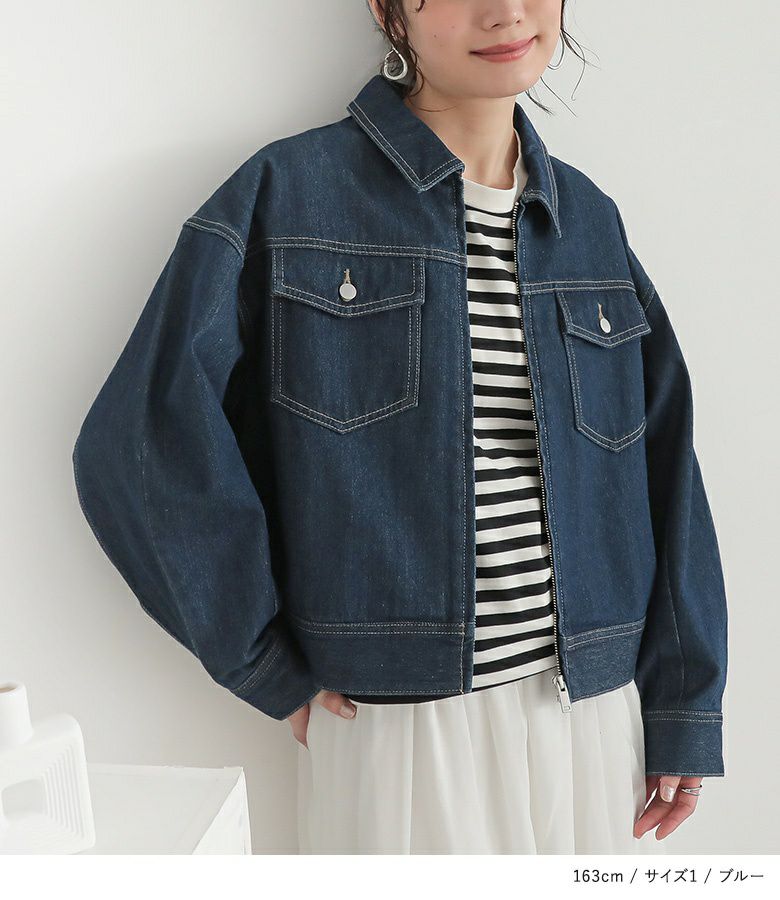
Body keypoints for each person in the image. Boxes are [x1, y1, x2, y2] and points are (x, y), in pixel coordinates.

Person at [72, 0, 728, 855]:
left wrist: (683, 706)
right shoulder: (290, 193)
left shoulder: (590, 222)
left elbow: (666, 470)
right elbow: (139, 441)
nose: (504, 11)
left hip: (596, 716)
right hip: (403, 727)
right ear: (388, 11)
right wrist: (263, 661)